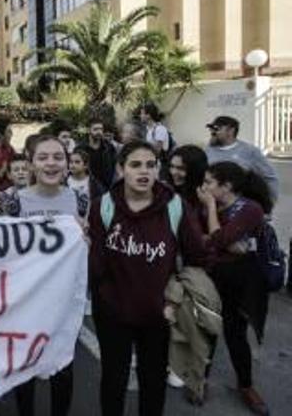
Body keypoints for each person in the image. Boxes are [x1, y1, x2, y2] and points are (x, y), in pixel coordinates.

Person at [88, 141, 211, 416]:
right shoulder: (103, 207)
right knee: (113, 381)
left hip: (159, 315)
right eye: (135, 165)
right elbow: (96, 266)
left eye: (150, 165)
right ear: (121, 169)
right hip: (112, 315)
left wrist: (175, 302)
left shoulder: (175, 206)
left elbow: (197, 259)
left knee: (153, 383)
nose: (144, 171)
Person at [2, 136, 85, 416]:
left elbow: (92, 248)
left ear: (67, 163)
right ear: (31, 163)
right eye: (43, 158)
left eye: (58, 157)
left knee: (62, 366)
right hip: (24, 301)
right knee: (24, 367)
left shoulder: (81, 201)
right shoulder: (12, 202)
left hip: (64, 301)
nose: (51, 164)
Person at [197, 162, 273, 415]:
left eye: (209, 182)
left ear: (226, 186)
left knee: (235, 334)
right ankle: (201, 381)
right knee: (207, 330)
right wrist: (219, 239)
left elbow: (218, 239)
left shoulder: (250, 209)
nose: (204, 187)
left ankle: (246, 386)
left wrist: (212, 218)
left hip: (241, 283)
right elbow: (202, 239)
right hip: (213, 276)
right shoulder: (215, 207)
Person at [204, 116, 279, 202]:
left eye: (217, 129)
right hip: (213, 204)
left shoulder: (250, 151)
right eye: (211, 130)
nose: (212, 132)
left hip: (242, 205)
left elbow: (270, 177)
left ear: (230, 131)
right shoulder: (208, 150)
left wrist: (269, 203)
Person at [78, 118, 116, 189]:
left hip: (106, 188)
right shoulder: (80, 149)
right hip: (87, 188)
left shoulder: (109, 147)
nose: (99, 132)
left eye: (101, 129)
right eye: (95, 129)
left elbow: (115, 168)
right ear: (89, 130)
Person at [167, 145, 208, 209]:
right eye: (172, 166)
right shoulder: (166, 190)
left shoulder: (204, 197)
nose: (173, 172)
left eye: (181, 168)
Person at [68, 147, 105, 215]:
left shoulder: (94, 184)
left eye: (77, 162)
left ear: (85, 165)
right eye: (71, 162)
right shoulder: (64, 181)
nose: (72, 165)